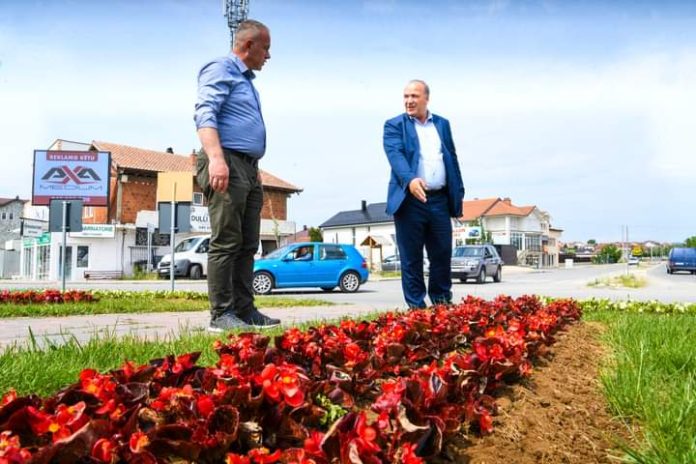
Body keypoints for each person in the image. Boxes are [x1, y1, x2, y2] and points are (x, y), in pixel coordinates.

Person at [194, 19, 280, 332]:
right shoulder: (221, 68)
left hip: (248, 168)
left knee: (247, 243)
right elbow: (205, 112)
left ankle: (244, 310)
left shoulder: (247, 81)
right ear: (248, 45)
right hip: (226, 161)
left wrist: (252, 167)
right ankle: (220, 315)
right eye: (265, 48)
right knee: (227, 241)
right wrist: (217, 159)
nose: (268, 55)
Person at [383, 80, 465, 309]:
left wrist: (458, 192)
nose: (409, 101)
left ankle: (441, 304)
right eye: (406, 96)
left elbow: (451, 157)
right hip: (410, 201)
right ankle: (417, 309)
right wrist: (410, 180)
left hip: (439, 200)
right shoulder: (394, 125)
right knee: (411, 258)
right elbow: (395, 155)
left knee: (442, 254)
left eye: (414, 96)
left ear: (426, 98)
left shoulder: (442, 124)